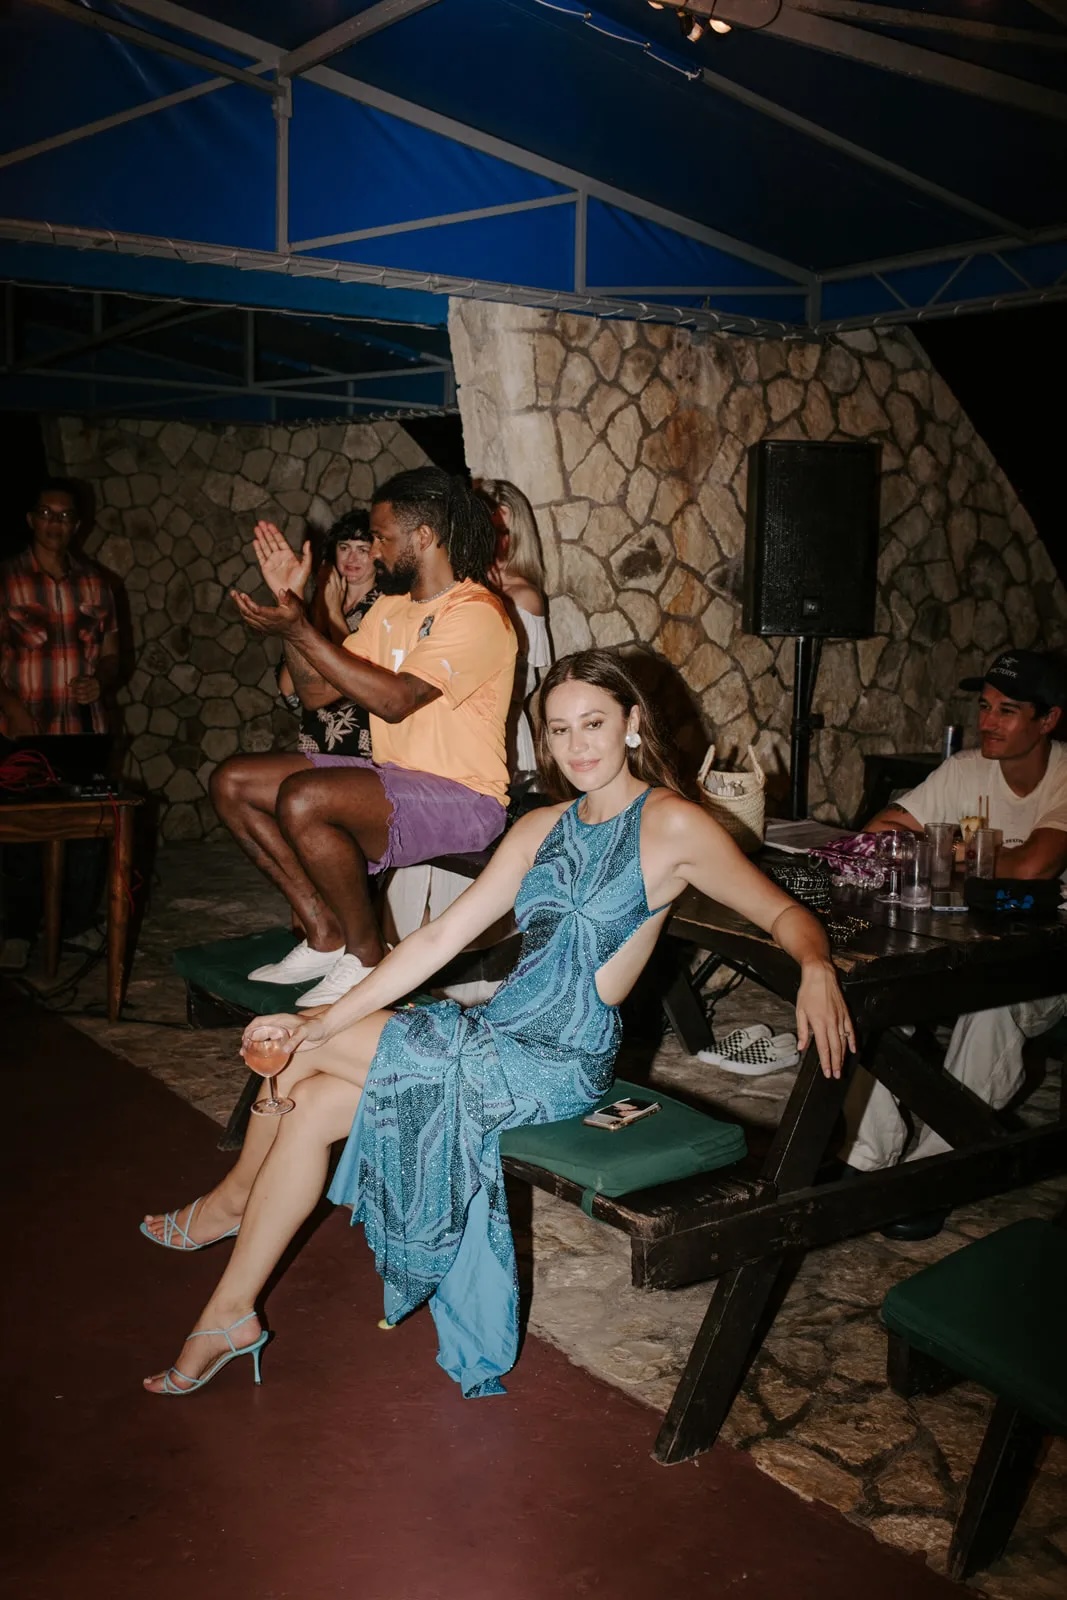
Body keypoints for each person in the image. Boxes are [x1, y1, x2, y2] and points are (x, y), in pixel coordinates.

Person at [140, 648, 855, 1401]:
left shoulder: (674, 825)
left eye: (594, 724)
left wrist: (814, 965)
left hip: (556, 1061)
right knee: (312, 1102)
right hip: (496, 1031)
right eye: (560, 729)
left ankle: (231, 1202)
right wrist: (324, 1020)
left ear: (632, 725)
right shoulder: (541, 826)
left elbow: (782, 912)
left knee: (300, 1047)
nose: (577, 745)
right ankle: (229, 1314)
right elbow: (440, 939)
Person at [213, 467, 516, 1007]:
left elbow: (396, 701)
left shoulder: (477, 613)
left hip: (466, 798)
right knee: (234, 782)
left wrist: (301, 630)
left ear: (424, 536)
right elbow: (315, 693)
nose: (374, 550)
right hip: (397, 779)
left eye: (381, 537)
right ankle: (324, 932)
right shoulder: (391, 610)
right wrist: (292, 603)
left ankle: (367, 955)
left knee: (305, 798)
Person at [842, 648, 1067, 1236]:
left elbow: (1035, 867)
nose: (987, 722)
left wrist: (947, 854)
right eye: (984, 707)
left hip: (1049, 961)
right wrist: (972, 856)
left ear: (1048, 719)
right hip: (963, 939)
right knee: (874, 988)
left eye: (1007, 711)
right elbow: (878, 834)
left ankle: (936, 1170)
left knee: (991, 1008)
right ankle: (868, 1155)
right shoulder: (965, 770)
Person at [0, 478, 120, 962]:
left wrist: (101, 682)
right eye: (46, 514)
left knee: (87, 831)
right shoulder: (6, 579)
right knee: (22, 835)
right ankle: (17, 932)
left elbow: (111, 655)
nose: (55, 523)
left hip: (83, 729)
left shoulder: (97, 582)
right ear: (31, 520)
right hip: (21, 728)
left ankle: (76, 923)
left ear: (77, 525)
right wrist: (11, 707)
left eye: (65, 516)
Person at [275, 508, 379, 759]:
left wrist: (333, 614)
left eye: (362, 549)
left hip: (362, 746)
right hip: (316, 741)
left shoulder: (385, 607)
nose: (351, 557)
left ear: (377, 555)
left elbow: (355, 676)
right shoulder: (317, 605)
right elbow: (288, 688)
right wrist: (320, 612)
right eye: (344, 547)